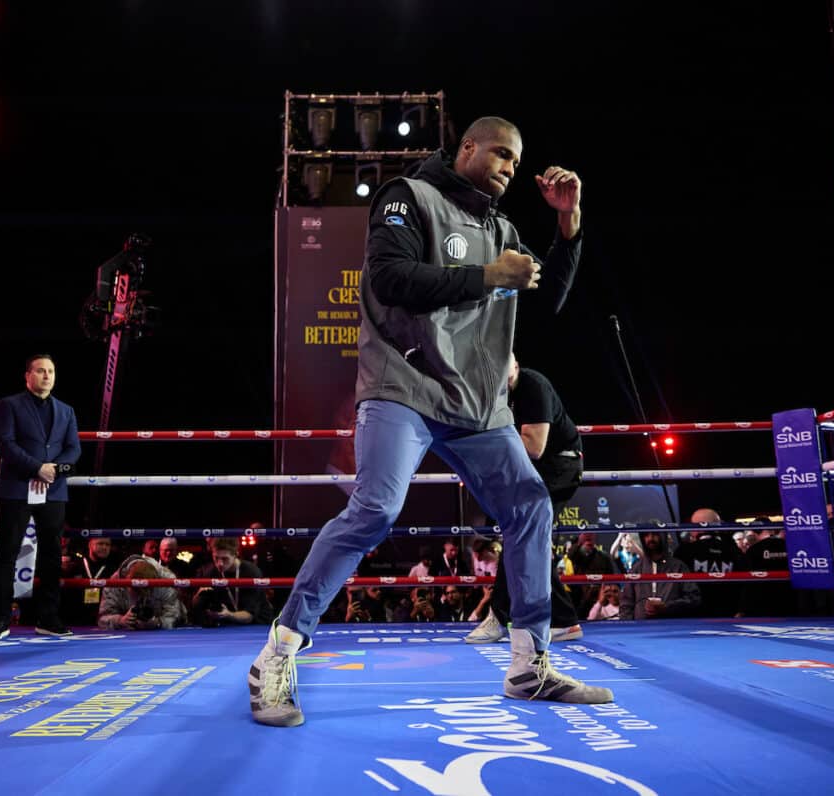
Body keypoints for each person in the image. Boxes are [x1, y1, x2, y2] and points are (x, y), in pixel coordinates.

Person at [248, 116, 611, 727]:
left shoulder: (502, 228)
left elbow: (546, 301)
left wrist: (567, 226)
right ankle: (279, 651)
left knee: (530, 504)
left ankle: (529, 664)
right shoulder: (407, 197)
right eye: (499, 153)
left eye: (516, 162)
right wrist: (491, 276)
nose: (508, 167)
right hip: (404, 386)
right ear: (466, 147)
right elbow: (391, 279)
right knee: (376, 509)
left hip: (476, 403)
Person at [466, 357, 585, 644]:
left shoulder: (532, 386)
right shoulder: (492, 394)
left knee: (522, 534)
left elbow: (534, 447)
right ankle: (564, 620)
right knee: (526, 539)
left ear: (514, 364)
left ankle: (499, 617)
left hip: (557, 467)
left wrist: (486, 441)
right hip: (534, 471)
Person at [0, 354, 81, 640]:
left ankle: (48, 618)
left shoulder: (66, 410)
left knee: (52, 555)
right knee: (6, 554)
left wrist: (53, 471)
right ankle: (0, 620)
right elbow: (5, 444)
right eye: (40, 371)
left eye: (51, 371)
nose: (47, 375)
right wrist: (36, 468)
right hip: (17, 486)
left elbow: (73, 449)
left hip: (53, 490)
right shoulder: (9, 405)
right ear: (27, 375)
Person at [193, 537, 273, 627]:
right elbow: (196, 608)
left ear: (235, 554)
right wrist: (198, 598)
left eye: (224, 559)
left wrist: (228, 614)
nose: (220, 563)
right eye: (216, 558)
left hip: (257, 624)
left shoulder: (251, 572)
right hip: (226, 625)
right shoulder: (210, 572)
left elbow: (250, 616)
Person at [620, 532, 701, 619]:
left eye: (655, 534)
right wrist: (629, 626)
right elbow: (626, 603)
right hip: (641, 628)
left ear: (663, 537)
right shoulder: (636, 568)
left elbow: (693, 598)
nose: (650, 538)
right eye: (646, 535)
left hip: (671, 626)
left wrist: (667, 607)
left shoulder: (678, 566)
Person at [98, 556, 187, 630]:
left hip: (161, 634)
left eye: (148, 590)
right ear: (126, 580)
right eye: (137, 591)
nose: (141, 596)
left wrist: (157, 623)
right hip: (127, 636)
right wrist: (120, 620)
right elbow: (102, 619)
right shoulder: (114, 583)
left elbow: (175, 617)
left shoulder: (167, 580)